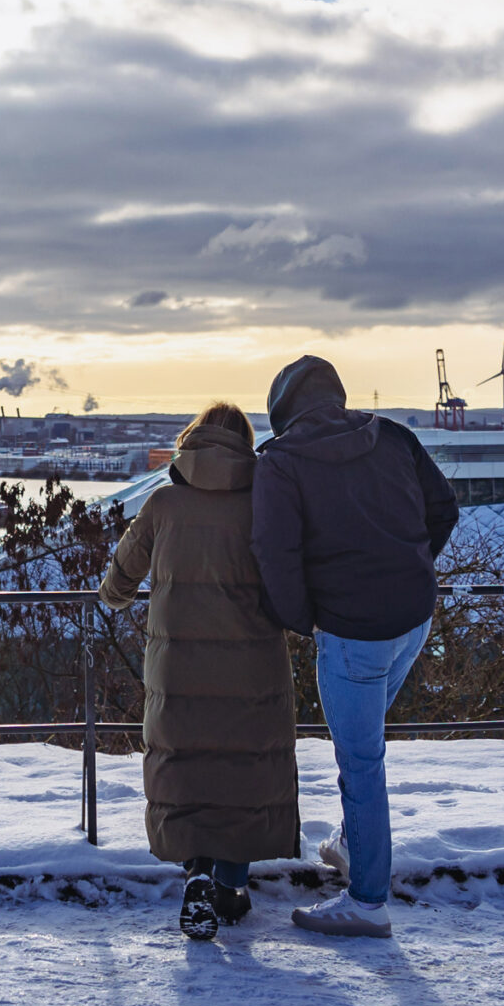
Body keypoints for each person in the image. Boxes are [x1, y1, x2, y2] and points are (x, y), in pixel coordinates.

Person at [251, 355, 458, 938]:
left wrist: (305, 619)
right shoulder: (391, 436)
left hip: (350, 633)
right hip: (413, 620)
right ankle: (351, 842)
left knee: (361, 764)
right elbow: (443, 509)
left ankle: (367, 901)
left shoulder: (281, 464)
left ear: (282, 410)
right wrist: (411, 567)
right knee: (362, 747)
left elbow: (275, 554)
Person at [100, 401, 299, 941]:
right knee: (242, 773)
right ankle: (231, 887)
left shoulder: (162, 504)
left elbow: (117, 586)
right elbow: (291, 581)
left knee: (186, 769)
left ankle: (197, 876)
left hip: (177, 671)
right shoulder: (264, 502)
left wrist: (126, 590)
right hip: (252, 668)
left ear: (191, 441)